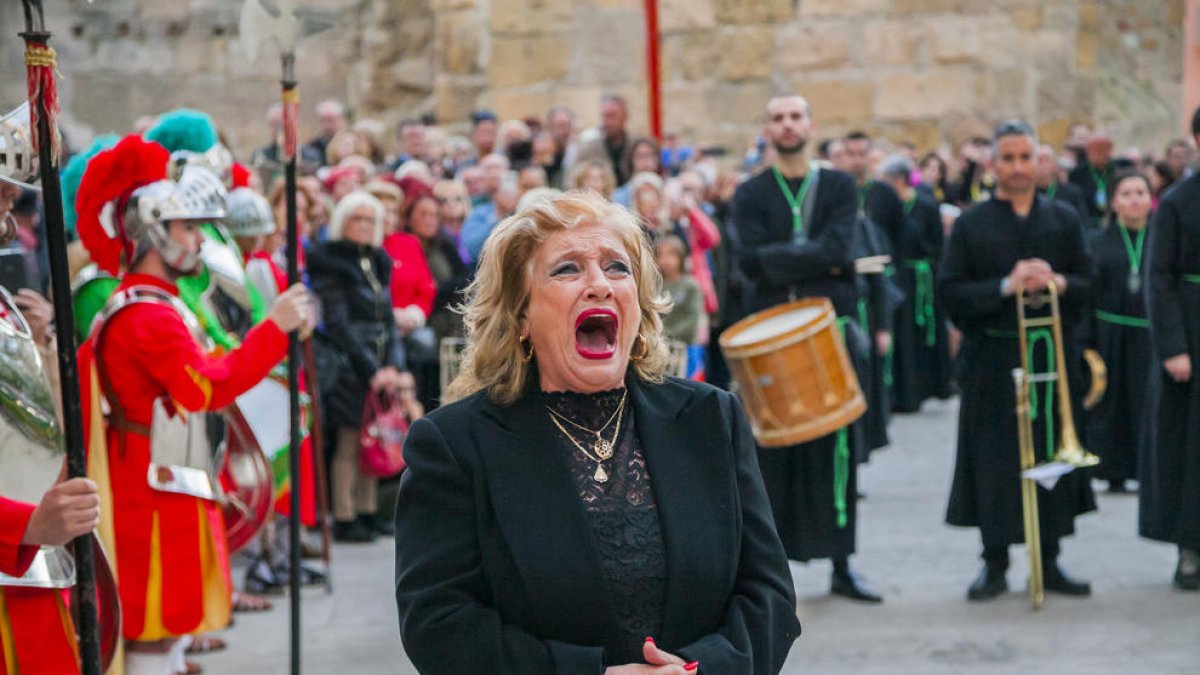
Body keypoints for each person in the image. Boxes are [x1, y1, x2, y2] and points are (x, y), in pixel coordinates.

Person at [394, 190, 799, 673]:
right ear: (521, 313)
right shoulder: (455, 445)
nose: (599, 285)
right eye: (567, 269)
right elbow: (437, 623)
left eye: (617, 267)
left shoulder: (711, 418)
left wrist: (700, 670)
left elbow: (769, 594)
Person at [74, 135, 315, 674]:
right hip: (149, 486)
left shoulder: (160, 305)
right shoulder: (146, 314)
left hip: (167, 476)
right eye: (188, 228)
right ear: (154, 234)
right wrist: (274, 327)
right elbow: (206, 387)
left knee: (171, 629)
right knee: (154, 633)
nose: (200, 240)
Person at [731, 94, 882, 602]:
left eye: (795, 116)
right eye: (777, 117)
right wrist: (815, 262)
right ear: (767, 128)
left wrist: (786, 260)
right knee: (772, 453)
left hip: (826, 331)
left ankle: (843, 565)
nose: (787, 125)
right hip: (769, 333)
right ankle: (774, 577)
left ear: (810, 125)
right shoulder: (751, 193)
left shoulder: (838, 185)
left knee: (835, 448)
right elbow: (747, 262)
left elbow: (843, 250)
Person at [938, 120, 1097, 601]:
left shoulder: (1064, 219)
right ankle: (995, 562)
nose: (1017, 167)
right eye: (1007, 158)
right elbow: (950, 292)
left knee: (1051, 451)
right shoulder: (972, 223)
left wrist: (1057, 282)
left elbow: (1091, 283)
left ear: (1038, 161)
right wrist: (1006, 284)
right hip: (993, 356)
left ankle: (1049, 560)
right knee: (993, 460)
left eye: (1025, 157)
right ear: (993, 165)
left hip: (1050, 353)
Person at [308, 191, 409, 543]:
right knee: (350, 442)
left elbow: (390, 320)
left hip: (379, 360)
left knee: (375, 437)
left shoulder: (378, 259)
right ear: (343, 221)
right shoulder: (328, 259)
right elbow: (338, 324)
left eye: (371, 219)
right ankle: (346, 516)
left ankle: (368, 510)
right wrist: (371, 369)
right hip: (349, 364)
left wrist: (395, 365)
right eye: (358, 219)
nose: (365, 226)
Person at [1141, 107, 1200, 591]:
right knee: (1190, 446)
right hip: (1193, 336)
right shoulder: (1177, 201)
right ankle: (1191, 547)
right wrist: (1174, 347)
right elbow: (1157, 278)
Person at [1084, 171, 1154, 494]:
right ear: (1114, 201)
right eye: (1126, 194)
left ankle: (1148, 469)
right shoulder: (1097, 241)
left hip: (1151, 336)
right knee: (1114, 404)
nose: (1134, 200)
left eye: (1140, 192)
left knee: (1148, 404)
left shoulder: (1162, 238)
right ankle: (1113, 469)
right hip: (1111, 334)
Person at [878, 154, 951, 413]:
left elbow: (935, 246)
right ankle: (902, 393)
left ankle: (923, 389)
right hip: (899, 277)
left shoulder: (926, 205)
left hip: (921, 279)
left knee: (921, 336)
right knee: (901, 337)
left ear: (898, 181)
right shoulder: (889, 207)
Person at [1068, 131, 1118, 227]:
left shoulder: (1119, 170)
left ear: (1111, 150)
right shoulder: (1077, 174)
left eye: (1102, 149)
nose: (1098, 153)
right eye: (1093, 149)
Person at [1035, 144, 1090, 224]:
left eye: (1045, 160)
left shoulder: (1072, 193)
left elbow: (1082, 224)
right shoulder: (1025, 195)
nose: (1040, 165)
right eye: (1037, 160)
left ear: (1055, 166)